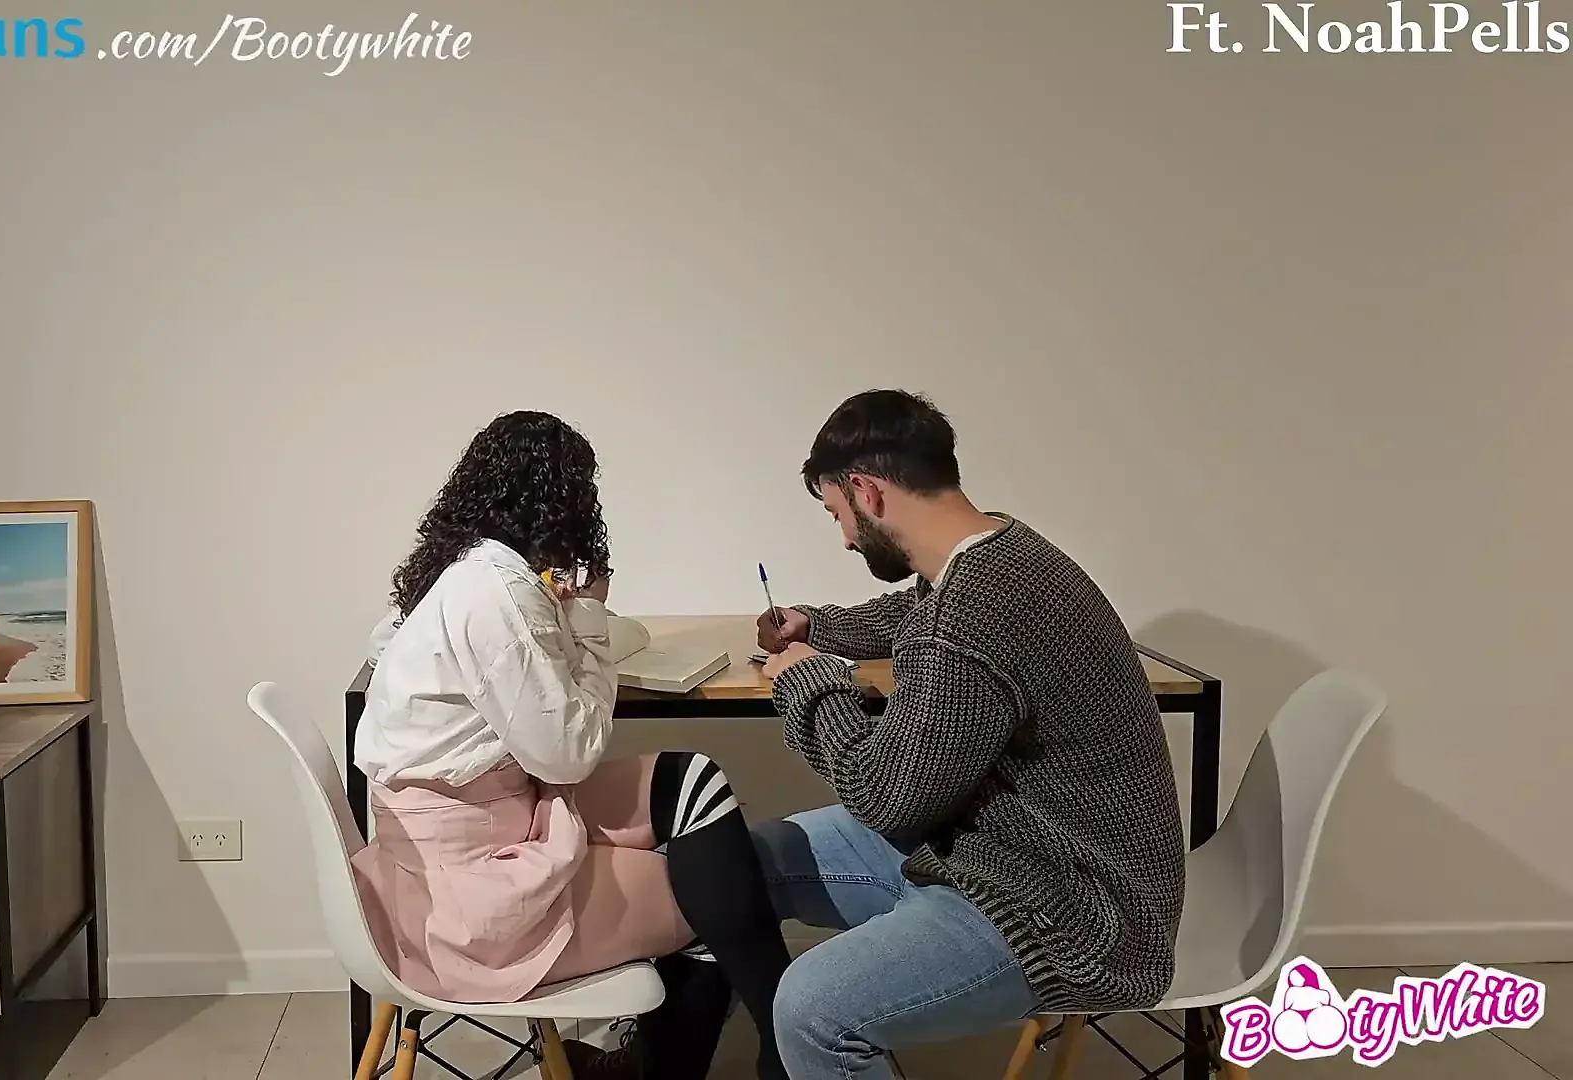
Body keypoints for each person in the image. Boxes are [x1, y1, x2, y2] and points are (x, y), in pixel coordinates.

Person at [750, 389, 1187, 1080]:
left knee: (812, 1011)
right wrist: (820, 626)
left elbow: (885, 797)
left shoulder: (972, 612)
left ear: (867, 491)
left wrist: (808, 682)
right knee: (749, 861)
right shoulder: (1000, 551)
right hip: (1007, 849)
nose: (845, 540)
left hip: (1071, 909)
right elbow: (918, 612)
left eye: (839, 515)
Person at [353, 410, 792, 1080]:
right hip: (466, 890)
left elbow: (384, 641)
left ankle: (760, 1040)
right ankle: (767, 1046)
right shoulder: (496, 592)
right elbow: (569, 754)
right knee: (714, 896)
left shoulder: (464, 568)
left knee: (694, 779)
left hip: (481, 818)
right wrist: (587, 623)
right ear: (560, 501)